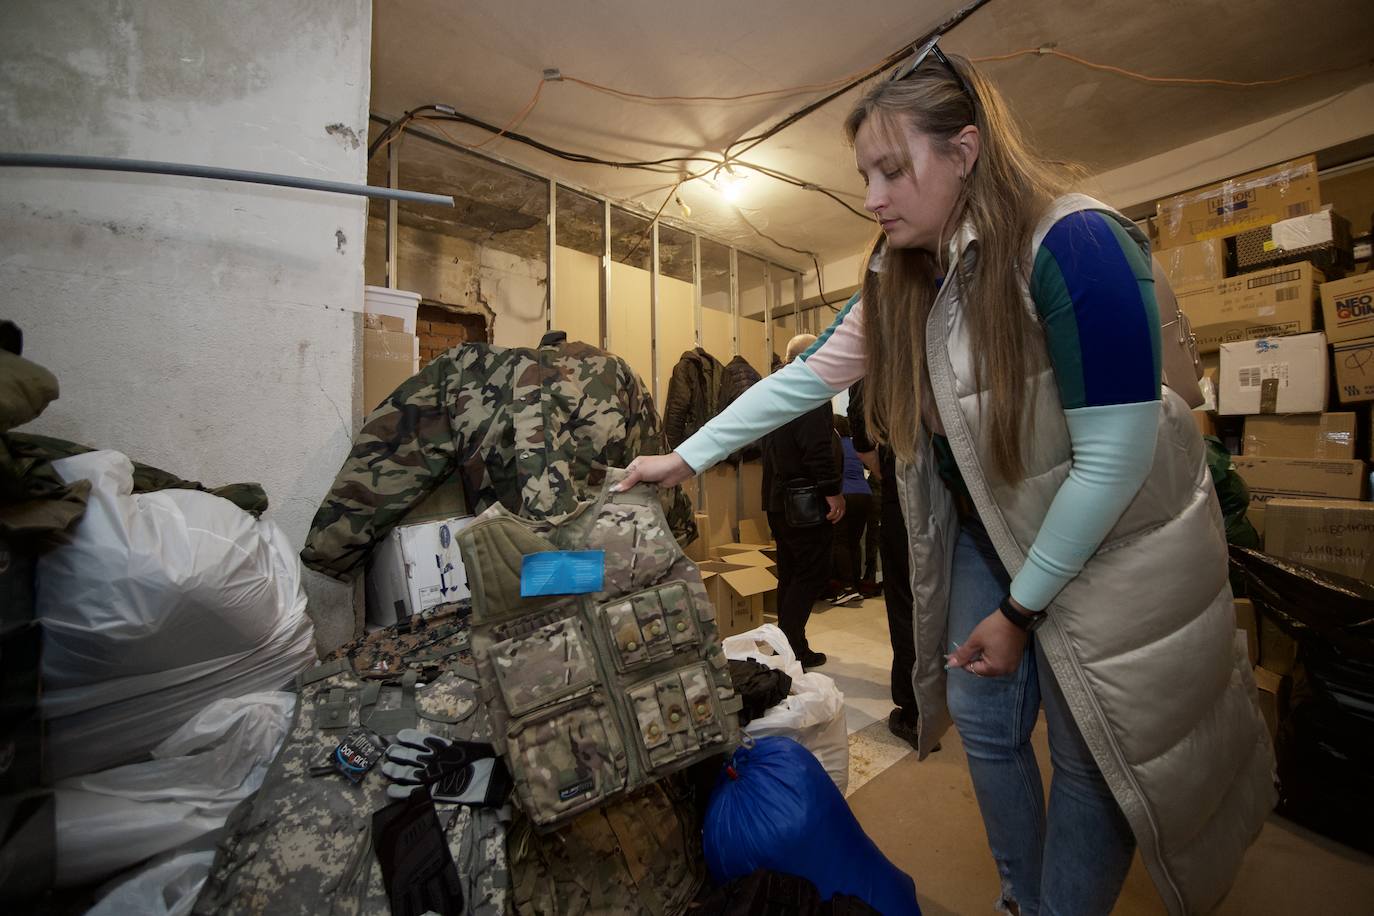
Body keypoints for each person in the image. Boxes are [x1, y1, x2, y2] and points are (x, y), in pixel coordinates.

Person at [619, 38, 1273, 916]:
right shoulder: (900, 274)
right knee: (989, 725)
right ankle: (1020, 897)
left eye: (890, 170)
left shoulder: (1077, 246)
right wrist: (683, 456)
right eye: (864, 176)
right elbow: (806, 378)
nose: (871, 198)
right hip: (990, 533)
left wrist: (1018, 611)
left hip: (1107, 541)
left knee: (1092, 755)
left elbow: (1115, 463)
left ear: (963, 152)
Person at [759, 333, 844, 670]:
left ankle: (790, 644)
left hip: (777, 501)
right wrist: (832, 489)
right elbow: (816, 447)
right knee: (811, 572)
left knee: (791, 574)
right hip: (804, 502)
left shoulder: (772, 389)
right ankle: (791, 644)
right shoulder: (808, 388)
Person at [828, 414, 872, 606]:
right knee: (854, 542)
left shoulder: (835, 444)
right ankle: (856, 584)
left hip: (846, 495)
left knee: (840, 541)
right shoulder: (854, 444)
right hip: (865, 494)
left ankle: (847, 588)